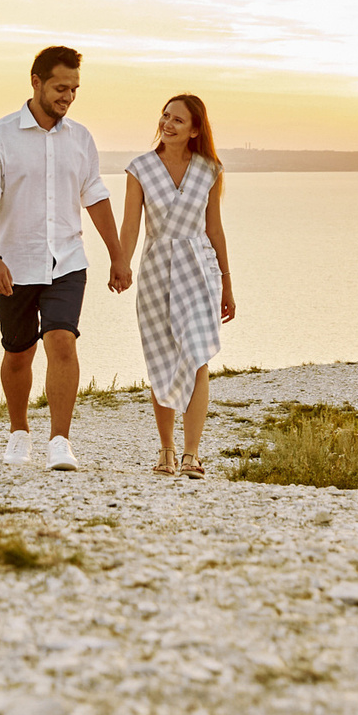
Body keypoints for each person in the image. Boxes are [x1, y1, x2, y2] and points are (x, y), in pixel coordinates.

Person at [0, 45, 127, 470]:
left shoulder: (80, 139)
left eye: (75, 89)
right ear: (36, 82)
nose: (68, 97)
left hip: (68, 259)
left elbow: (95, 196)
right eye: (61, 88)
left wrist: (118, 256)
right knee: (19, 351)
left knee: (62, 340)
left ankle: (61, 441)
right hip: (15, 262)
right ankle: (19, 433)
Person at [110, 93, 235, 476]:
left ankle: (191, 454)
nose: (167, 123)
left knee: (197, 356)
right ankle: (166, 451)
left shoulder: (209, 169)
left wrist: (228, 284)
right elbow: (131, 225)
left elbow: (213, 227)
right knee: (162, 358)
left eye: (178, 119)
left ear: (195, 129)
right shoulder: (141, 169)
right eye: (165, 116)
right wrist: (121, 263)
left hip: (199, 270)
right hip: (156, 270)